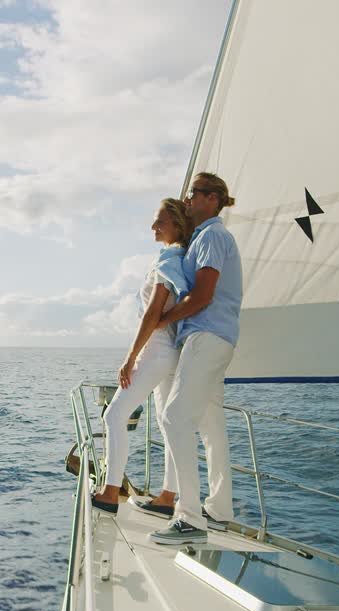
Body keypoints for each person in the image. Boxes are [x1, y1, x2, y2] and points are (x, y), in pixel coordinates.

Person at [148, 172, 243, 545]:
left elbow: (202, 296)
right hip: (217, 338)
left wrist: (162, 320)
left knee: (173, 416)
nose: (188, 200)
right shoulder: (206, 238)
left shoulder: (212, 236)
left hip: (206, 336)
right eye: (189, 195)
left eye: (195, 194)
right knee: (210, 426)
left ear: (214, 199)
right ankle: (218, 510)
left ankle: (189, 518)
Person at [92, 198, 193, 517]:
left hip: (156, 350)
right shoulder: (176, 259)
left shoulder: (168, 260)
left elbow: (153, 313)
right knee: (168, 425)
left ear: (176, 225)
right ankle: (167, 497)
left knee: (114, 416)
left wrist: (130, 356)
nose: (153, 227)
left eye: (159, 221)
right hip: (170, 352)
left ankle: (110, 492)